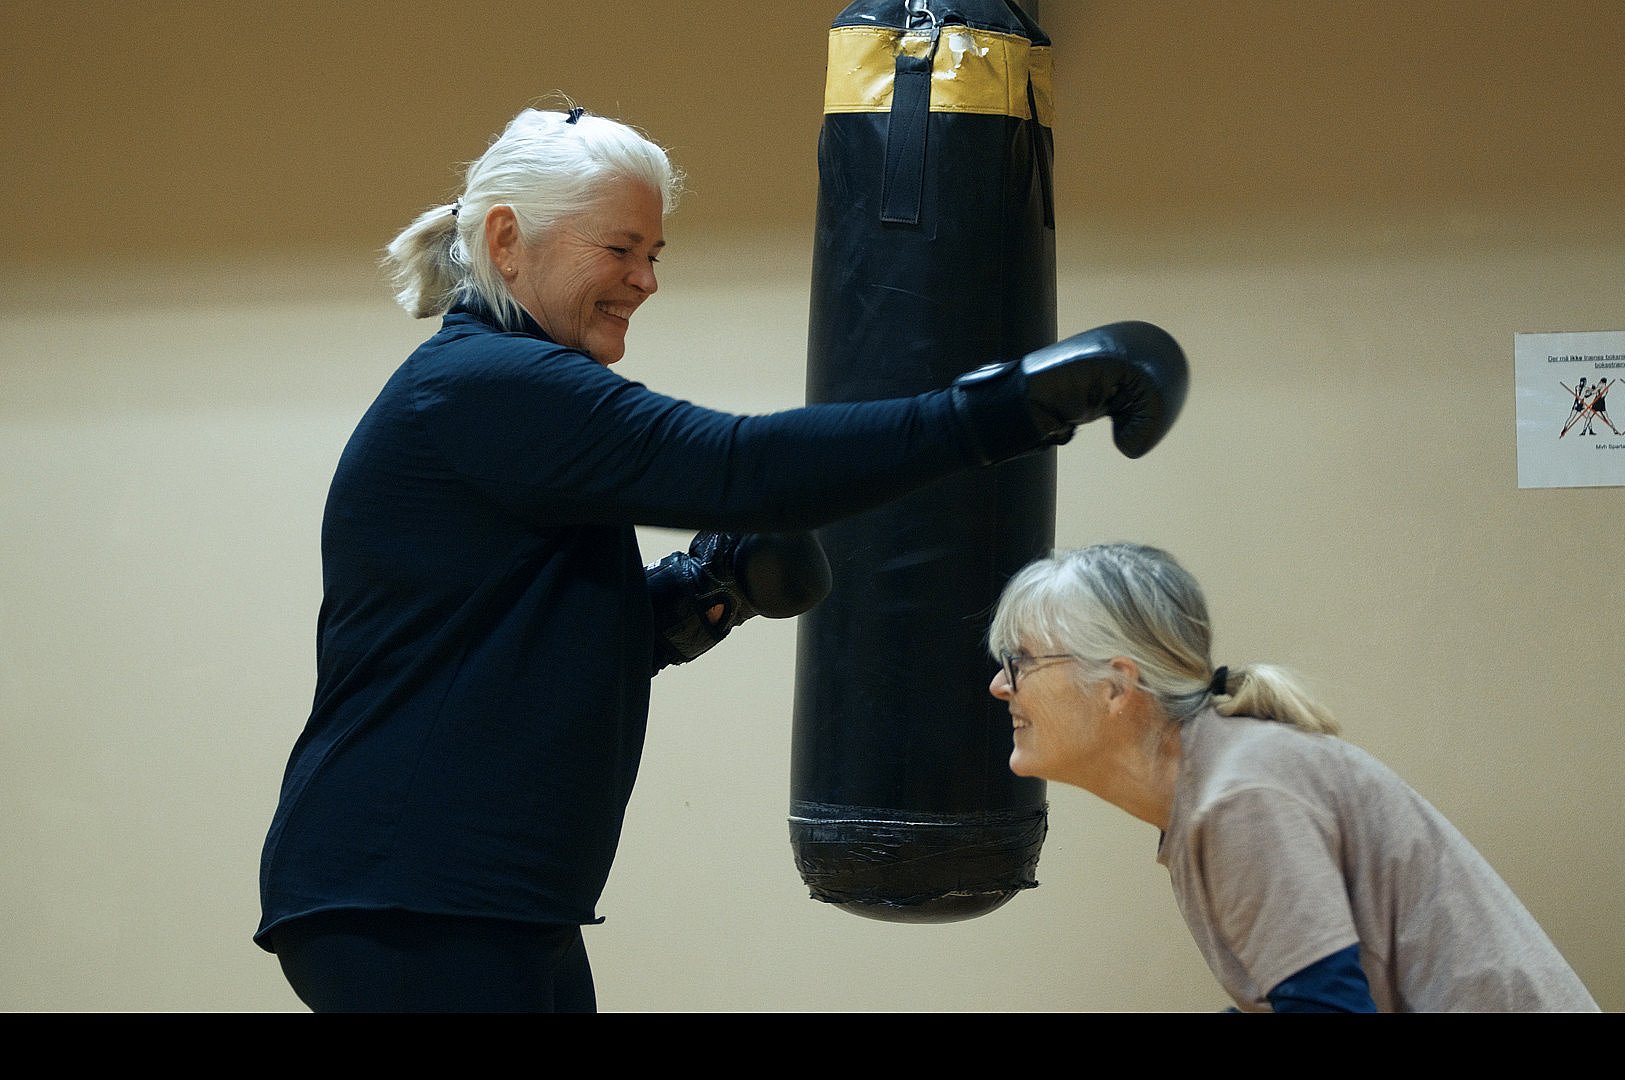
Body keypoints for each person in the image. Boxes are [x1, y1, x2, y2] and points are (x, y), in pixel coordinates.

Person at [254, 102, 1186, 1012]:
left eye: (652, 255)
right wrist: (1016, 406)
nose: (646, 279)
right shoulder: (484, 387)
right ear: (506, 241)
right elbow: (742, 467)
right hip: (413, 895)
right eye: (618, 250)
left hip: (478, 900)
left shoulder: (501, 401)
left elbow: (510, 633)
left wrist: (706, 594)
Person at [985, 543, 1600, 1013]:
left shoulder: (1240, 796)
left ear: (1117, 685)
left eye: (1022, 662)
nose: (1001, 686)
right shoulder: (1220, 778)